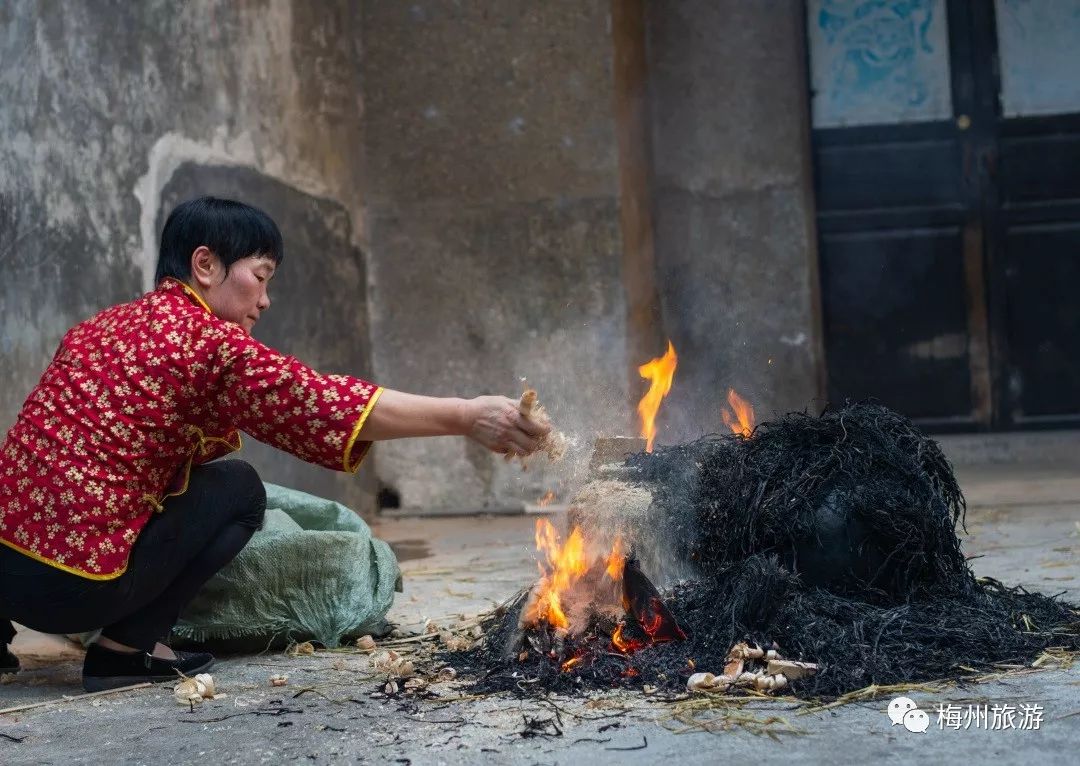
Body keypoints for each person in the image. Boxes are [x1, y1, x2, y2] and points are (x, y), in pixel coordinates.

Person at [0, 196, 549, 691]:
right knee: (239, 489)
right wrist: (466, 414)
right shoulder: (208, 341)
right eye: (260, 277)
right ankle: (124, 649)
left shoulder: (97, 327)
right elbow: (323, 402)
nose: (265, 300)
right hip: (74, 592)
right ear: (206, 264)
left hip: (7, 575)